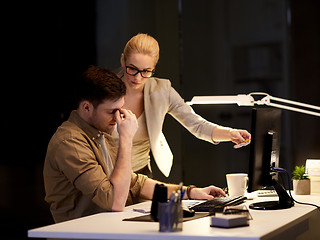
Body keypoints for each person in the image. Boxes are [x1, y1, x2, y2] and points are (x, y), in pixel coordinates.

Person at [43, 66, 225, 223]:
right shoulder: (70, 142)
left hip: (110, 230)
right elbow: (114, 200)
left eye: (120, 109)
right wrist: (126, 138)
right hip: (83, 236)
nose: (117, 118)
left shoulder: (100, 133)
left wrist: (190, 193)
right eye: (111, 111)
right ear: (86, 107)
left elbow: (135, 183)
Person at [114, 33, 251, 177]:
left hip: (141, 176)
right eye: (132, 68)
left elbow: (196, 125)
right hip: (105, 175)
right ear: (123, 60)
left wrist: (230, 134)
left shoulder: (162, 90)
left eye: (146, 71)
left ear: (153, 68)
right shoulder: (103, 89)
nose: (137, 77)